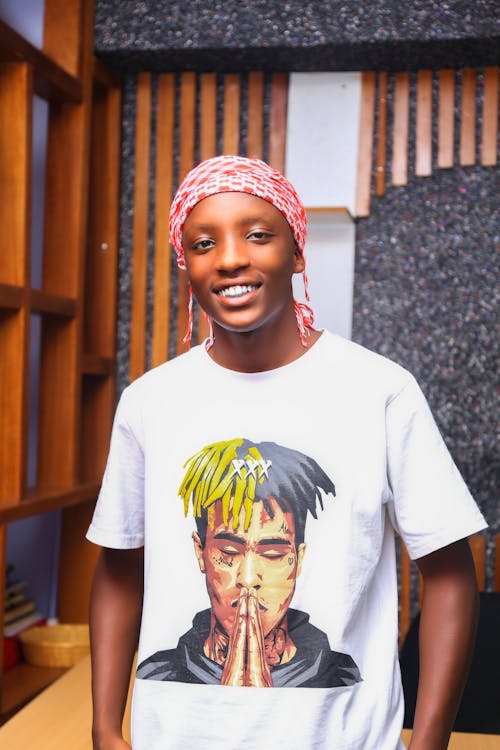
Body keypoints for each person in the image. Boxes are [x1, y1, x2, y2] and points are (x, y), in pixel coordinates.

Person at [87, 155, 486, 750]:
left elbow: (450, 572)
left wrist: (429, 742)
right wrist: (102, 726)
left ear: (297, 251)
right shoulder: (150, 402)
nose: (229, 258)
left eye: (256, 234)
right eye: (203, 243)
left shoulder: (379, 391)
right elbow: (120, 567)